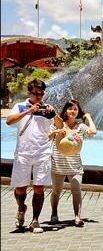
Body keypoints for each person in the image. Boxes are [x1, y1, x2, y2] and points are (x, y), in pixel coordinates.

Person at [6, 78, 60, 233]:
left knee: (39, 189)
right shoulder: (20, 106)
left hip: (42, 152)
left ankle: (35, 221)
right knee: (20, 190)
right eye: (36, 93)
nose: (39, 96)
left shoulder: (47, 109)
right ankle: (21, 208)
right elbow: (9, 121)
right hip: (23, 153)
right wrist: (29, 110)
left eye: (42, 93)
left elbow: (60, 126)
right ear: (29, 92)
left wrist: (54, 113)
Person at [48, 99, 97, 226]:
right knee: (56, 191)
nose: (73, 111)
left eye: (75, 109)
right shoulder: (58, 124)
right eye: (70, 108)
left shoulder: (80, 127)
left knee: (76, 191)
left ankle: (77, 217)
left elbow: (93, 132)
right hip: (58, 164)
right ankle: (54, 213)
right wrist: (55, 132)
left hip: (75, 165)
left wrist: (89, 117)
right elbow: (47, 137)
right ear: (65, 110)